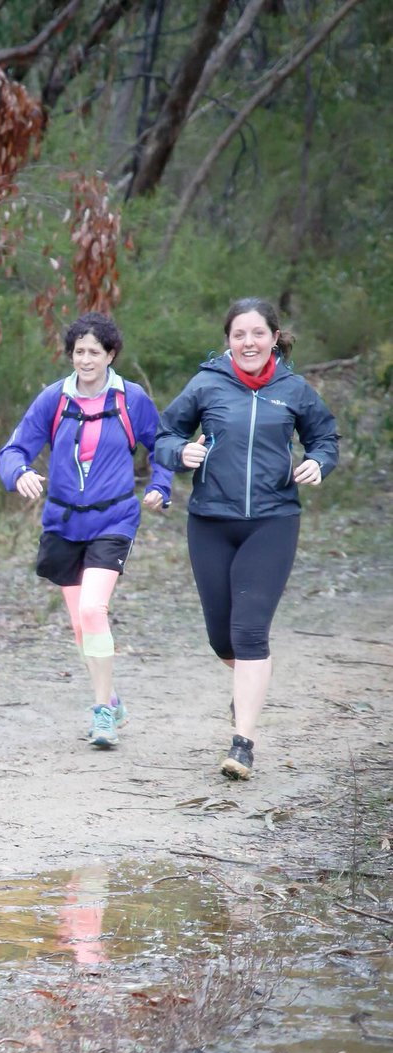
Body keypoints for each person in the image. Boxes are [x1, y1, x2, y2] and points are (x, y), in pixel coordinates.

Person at [154, 297, 339, 779]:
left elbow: (325, 438)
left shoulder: (294, 390)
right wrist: (179, 453)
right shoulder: (206, 384)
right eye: (240, 334)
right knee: (222, 638)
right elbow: (164, 434)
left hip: (273, 521)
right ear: (228, 341)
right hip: (211, 522)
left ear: (274, 338)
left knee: (250, 632)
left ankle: (243, 744)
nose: (249, 342)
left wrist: (318, 462)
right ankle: (248, 689)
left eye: (258, 333)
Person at [0, 312, 173, 748]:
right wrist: (19, 472)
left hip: (114, 520)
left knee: (94, 610)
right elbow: (14, 449)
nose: (86, 359)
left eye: (95, 352)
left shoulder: (131, 399)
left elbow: (162, 446)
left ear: (111, 355)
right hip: (63, 523)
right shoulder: (54, 399)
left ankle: (101, 715)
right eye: (79, 351)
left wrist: (161, 486)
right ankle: (111, 699)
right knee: (80, 624)